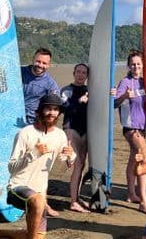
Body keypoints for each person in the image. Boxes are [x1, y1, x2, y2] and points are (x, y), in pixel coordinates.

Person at [0, 47, 60, 216]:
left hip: (31, 127)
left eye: (44, 63)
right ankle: (2, 193)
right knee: (6, 159)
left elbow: (54, 106)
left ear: (49, 65)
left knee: (35, 167)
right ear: (33, 59)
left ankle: (41, 203)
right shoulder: (19, 72)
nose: (40, 65)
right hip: (6, 122)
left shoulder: (50, 84)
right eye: (38, 61)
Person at [0, 93, 76, 239]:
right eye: (48, 109)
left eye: (56, 109)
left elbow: (63, 167)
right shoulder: (25, 134)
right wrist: (33, 154)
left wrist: (71, 156)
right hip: (17, 188)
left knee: (37, 235)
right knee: (38, 201)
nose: (52, 113)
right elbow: (11, 167)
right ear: (39, 111)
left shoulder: (60, 135)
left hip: (40, 192)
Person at [114, 50, 146, 214]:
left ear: (142, 65)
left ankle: (131, 193)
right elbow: (114, 103)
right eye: (133, 64)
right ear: (128, 65)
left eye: (138, 63)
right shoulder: (125, 82)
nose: (136, 66)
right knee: (145, 160)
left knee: (133, 159)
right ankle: (144, 202)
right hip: (131, 128)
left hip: (142, 128)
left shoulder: (144, 82)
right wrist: (124, 96)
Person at [61, 63, 90, 213]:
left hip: (85, 130)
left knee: (81, 165)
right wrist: (79, 102)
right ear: (74, 73)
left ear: (87, 75)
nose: (80, 75)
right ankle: (73, 201)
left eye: (83, 73)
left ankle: (76, 197)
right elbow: (64, 108)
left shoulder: (88, 90)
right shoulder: (67, 90)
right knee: (77, 164)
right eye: (78, 72)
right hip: (71, 129)